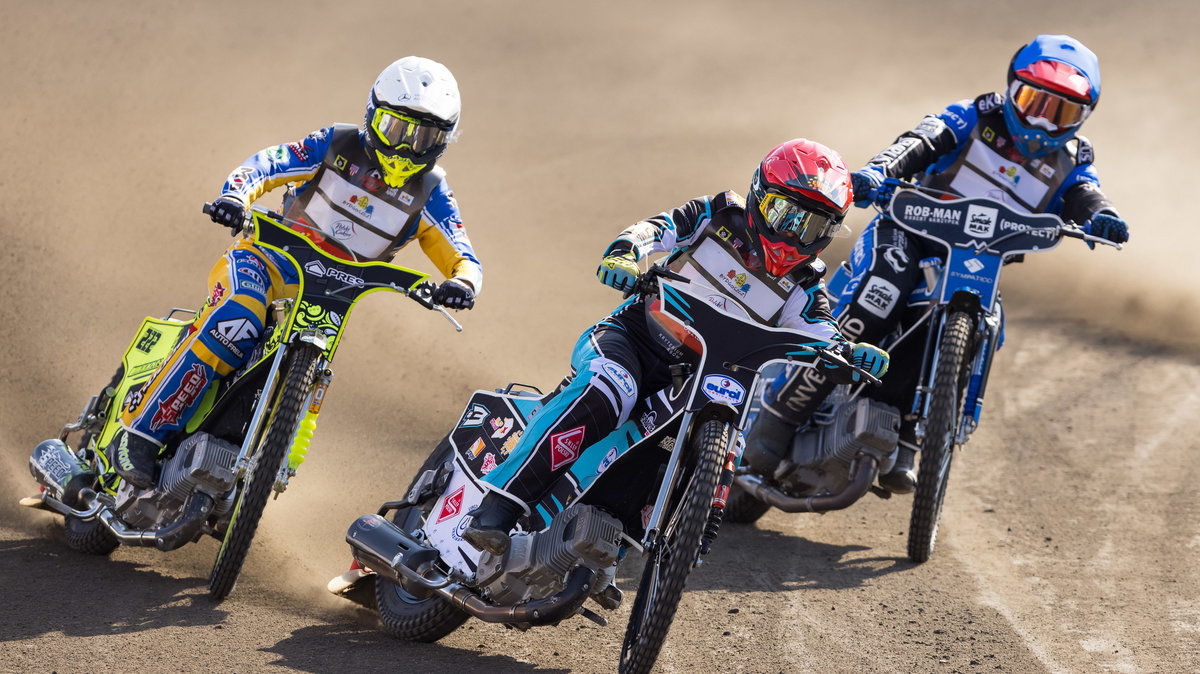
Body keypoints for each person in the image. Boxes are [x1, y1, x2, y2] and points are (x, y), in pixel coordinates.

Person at [461, 138, 891, 556]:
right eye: (786, 215)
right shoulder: (716, 214)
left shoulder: (807, 284)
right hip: (635, 339)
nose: (794, 237)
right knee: (610, 388)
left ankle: (610, 550)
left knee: (704, 443)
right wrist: (624, 254)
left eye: (813, 227)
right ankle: (498, 506)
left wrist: (852, 355)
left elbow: (825, 333)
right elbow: (654, 230)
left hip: (707, 376)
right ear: (760, 195)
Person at [743, 34, 1129, 494]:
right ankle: (778, 416)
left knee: (990, 325)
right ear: (1010, 88)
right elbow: (916, 143)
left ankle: (907, 433)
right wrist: (878, 171)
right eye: (1032, 101)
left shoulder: (1074, 159)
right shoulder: (970, 116)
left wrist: (1102, 217)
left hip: (975, 263)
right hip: (906, 234)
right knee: (877, 299)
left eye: (1061, 112)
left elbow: (1087, 194)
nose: (1042, 122)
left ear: (1083, 118)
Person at [110, 56, 483, 488]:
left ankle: (259, 473)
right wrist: (236, 195)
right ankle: (138, 433)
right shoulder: (336, 144)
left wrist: (462, 284)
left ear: (443, 142)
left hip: (329, 297)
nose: (406, 147)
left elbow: (465, 256)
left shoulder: (433, 193)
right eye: (397, 129)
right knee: (241, 316)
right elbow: (268, 163)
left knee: (313, 375)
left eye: (425, 137)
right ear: (372, 114)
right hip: (265, 262)